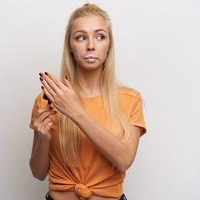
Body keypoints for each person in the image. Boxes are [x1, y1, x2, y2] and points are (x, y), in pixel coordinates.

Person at [29, 3, 147, 200]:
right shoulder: (49, 98)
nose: (91, 45)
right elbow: (38, 173)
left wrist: (75, 111)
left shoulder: (130, 99)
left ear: (109, 45)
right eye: (81, 37)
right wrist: (42, 140)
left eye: (100, 36)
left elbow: (124, 159)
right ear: (71, 47)